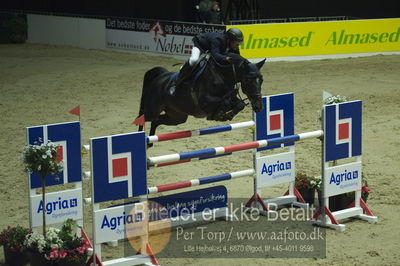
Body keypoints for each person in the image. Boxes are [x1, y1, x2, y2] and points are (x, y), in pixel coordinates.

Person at [176, 27, 244, 85]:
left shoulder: (233, 45)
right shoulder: (218, 40)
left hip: (210, 48)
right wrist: (227, 58)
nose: (238, 46)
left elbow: (237, 57)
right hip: (200, 45)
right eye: (236, 43)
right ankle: (179, 78)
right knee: (194, 60)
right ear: (229, 40)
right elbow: (215, 55)